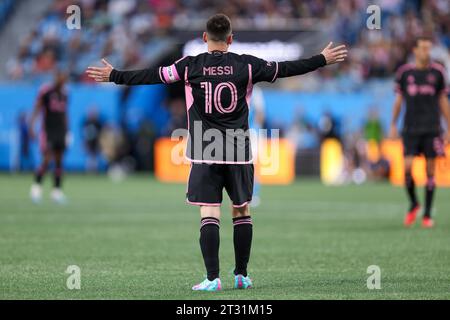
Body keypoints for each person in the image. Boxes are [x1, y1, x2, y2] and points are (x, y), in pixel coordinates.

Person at [87, 13, 347, 291]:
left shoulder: (189, 66)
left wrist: (114, 75)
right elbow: (286, 69)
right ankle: (242, 275)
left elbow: (152, 75)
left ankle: (212, 279)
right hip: (238, 149)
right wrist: (321, 59)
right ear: (230, 39)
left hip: (204, 149)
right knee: (242, 210)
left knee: (209, 213)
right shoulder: (247, 65)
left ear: (204, 39)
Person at [390, 36, 450, 228]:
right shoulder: (404, 73)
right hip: (410, 128)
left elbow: (442, 101)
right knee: (407, 169)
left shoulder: (438, 73)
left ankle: (427, 214)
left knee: (430, 171)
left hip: (432, 129)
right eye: (423, 48)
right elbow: (399, 101)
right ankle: (414, 203)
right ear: (415, 50)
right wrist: (393, 123)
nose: (427, 52)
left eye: (428, 48)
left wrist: (449, 127)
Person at [29, 70, 69, 204]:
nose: (63, 80)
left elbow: (64, 114)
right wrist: (32, 126)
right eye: (61, 77)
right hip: (48, 130)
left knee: (59, 161)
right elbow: (37, 108)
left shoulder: (64, 94)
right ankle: (36, 189)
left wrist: (67, 131)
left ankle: (56, 192)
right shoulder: (46, 92)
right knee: (46, 160)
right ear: (56, 77)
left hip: (60, 131)